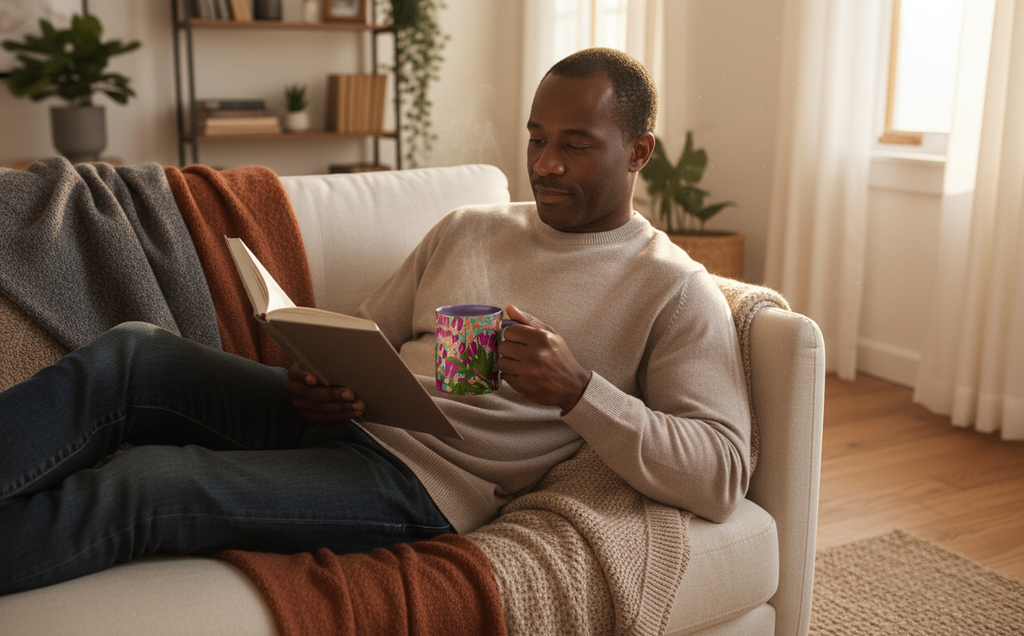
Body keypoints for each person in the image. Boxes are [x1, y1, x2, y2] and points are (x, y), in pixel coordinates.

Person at [0, 47, 750, 596]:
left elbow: (720, 472)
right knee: (135, 354)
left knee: (154, 481)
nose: (545, 163)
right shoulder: (472, 226)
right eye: (537, 137)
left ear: (638, 151)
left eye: (576, 144)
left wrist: (578, 389)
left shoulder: (672, 288)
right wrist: (321, 377)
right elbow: (364, 329)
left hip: (420, 486)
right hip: (349, 423)